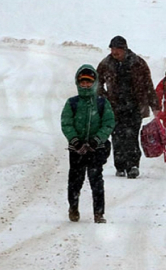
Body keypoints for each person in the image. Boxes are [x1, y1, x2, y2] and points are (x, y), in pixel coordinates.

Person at [97, 36, 160, 178]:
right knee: (117, 137)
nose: (114, 52)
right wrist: (103, 98)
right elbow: (97, 83)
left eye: (117, 49)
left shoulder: (138, 63)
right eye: (112, 49)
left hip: (134, 107)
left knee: (131, 137)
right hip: (114, 107)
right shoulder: (106, 63)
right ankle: (120, 165)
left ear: (124, 49)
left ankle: (133, 166)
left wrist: (154, 105)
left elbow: (148, 85)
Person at [61, 64, 115, 223]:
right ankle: (73, 207)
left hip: (96, 149)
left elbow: (108, 123)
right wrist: (75, 141)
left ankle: (99, 213)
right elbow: (66, 123)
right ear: (78, 83)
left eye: (89, 82)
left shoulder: (102, 103)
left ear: (95, 83)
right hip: (76, 150)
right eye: (83, 82)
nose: (85, 85)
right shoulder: (72, 103)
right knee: (75, 181)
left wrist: (97, 140)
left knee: (96, 180)